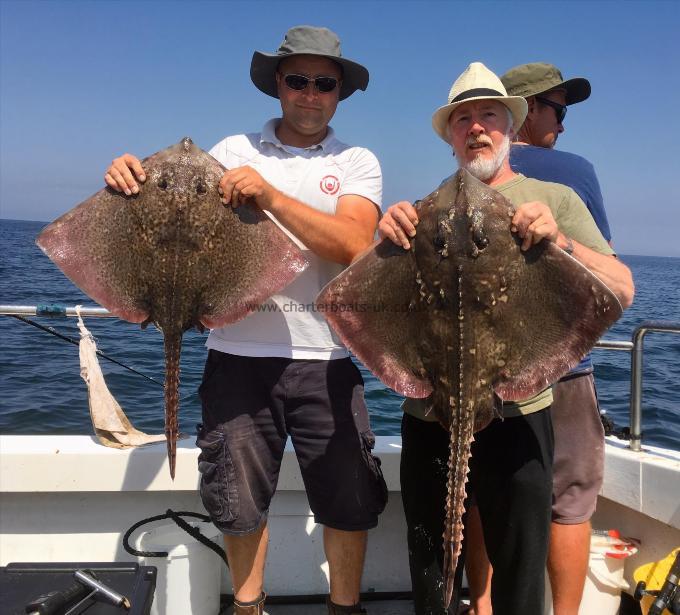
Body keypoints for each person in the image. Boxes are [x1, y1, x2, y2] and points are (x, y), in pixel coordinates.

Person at [104, 25, 386, 615]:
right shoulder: (232, 152)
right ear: (277, 87)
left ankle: (345, 608)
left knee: (349, 500)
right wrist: (131, 179)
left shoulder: (356, 161)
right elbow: (175, 217)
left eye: (324, 83)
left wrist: (273, 199)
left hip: (325, 360)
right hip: (235, 354)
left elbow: (357, 243)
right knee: (236, 501)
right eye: (298, 80)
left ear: (340, 93)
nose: (311, 93)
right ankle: (248, 607)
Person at [378, 62, 634, 615]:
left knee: (519, 568)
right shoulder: (422, 210)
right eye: (462, 118)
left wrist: (561, 241)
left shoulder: (555, 199)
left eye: (488, 115)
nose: (476, 128)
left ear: (510, 127)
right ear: (449, 135)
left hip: (521, 411)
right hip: (430, 411)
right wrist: (385, 235)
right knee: (431, 563)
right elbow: (355, 301)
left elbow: (621, 287)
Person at [460, 63, 615, 615]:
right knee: (567, 501)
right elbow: (609, 277)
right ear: (524, 110)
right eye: (557, 109)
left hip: (474, 365)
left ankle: (480, 603)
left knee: (478, 493)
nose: (562, 125)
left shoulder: (460, 181)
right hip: (563, 366)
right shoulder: (572, 170)